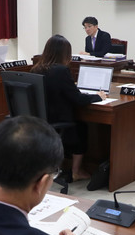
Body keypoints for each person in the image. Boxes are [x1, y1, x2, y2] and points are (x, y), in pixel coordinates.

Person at [31, 35, 106, 182]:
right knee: (81, 127)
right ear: (64, 53)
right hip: (57, 121)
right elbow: (77, 99)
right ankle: (76, 171)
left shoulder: (36, 69)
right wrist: (98, 97)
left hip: (39, 122)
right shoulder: (61, 70)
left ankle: (57, 166)